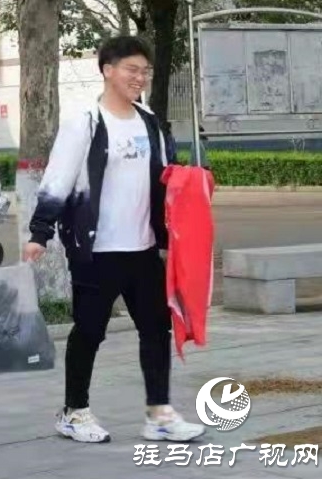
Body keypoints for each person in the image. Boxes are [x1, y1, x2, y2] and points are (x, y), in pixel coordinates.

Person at [23, 35, 205, 444]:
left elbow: (167, 176)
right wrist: (39, 233)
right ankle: (74, 412)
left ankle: (159, 414)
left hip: (142, 248)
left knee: (156, 330)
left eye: (145, 71)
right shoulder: (86, 122)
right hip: (97, 251)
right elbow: (57, 180)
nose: (139, 78)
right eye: (131, 70)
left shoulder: (150, 121)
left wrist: (190, 192)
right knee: (89, 331)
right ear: (107, 70)